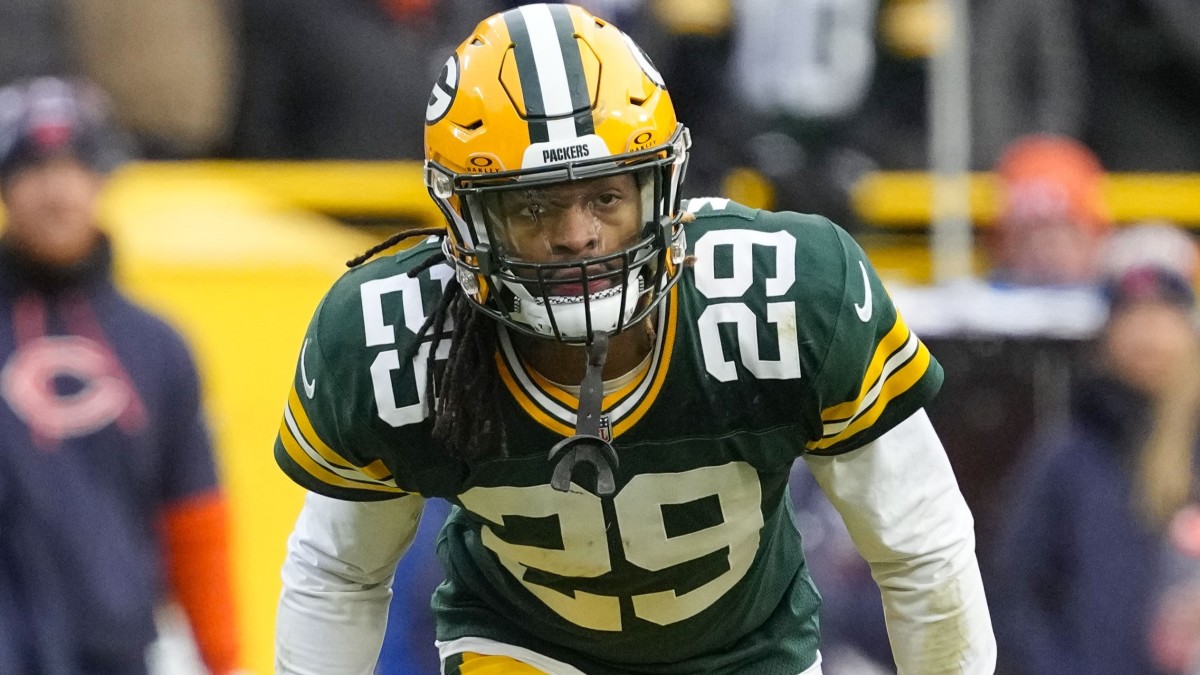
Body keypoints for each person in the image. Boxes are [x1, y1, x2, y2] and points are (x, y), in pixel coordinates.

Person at [273, 4, 996, 673]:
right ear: (466, 220)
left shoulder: (779, 291)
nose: (577, 234)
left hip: (746, 652)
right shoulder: (399, 336)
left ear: (661, 188)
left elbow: (920, 546)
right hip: (525, 646)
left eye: (607, 196)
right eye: (532, 204)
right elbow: (339, 570)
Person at [0, 77, 242, 674]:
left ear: (100, 178)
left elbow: (195, 515)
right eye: (33, 170)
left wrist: (224, 659)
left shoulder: (158, 347)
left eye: (74, 166)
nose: (56, 193)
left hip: (116, 652)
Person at [993, 224, 1200, 674]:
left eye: (1164, 315)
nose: (1149, 334)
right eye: (1133, 316)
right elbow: (1015, 590)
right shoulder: (1066, 455)